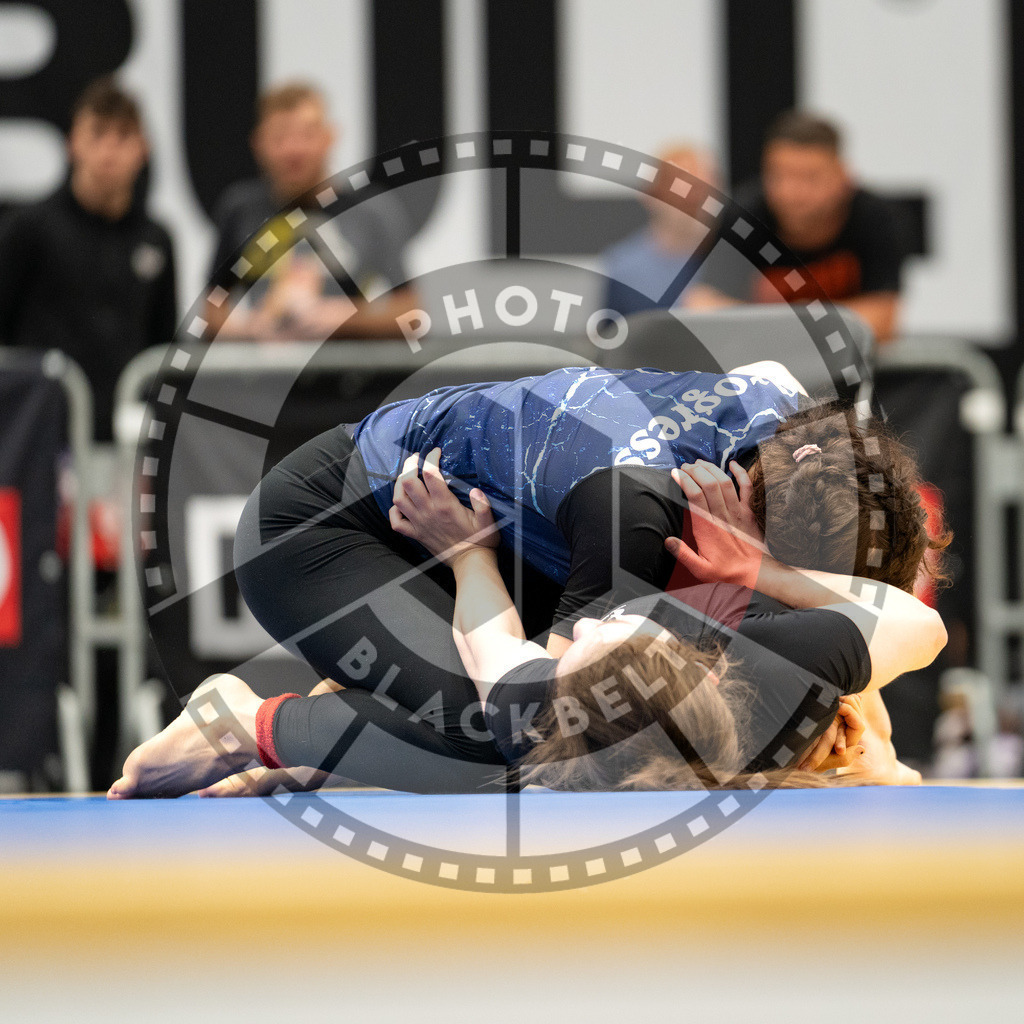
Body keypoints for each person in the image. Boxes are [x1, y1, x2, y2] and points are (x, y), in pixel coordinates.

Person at [109, 364, 945, 798]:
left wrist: (773, 579)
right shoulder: (636, 514)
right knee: (528, 755)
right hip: (331, 531)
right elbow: (534, 714)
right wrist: (467, 557)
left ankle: (342, 742)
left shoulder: (795, 428)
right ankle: (252, 723)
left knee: (695, 671)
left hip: (515, 537)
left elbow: (874, 621)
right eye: (783, 575)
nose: (769, 595)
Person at [0, 76, 177, 440]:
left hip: (126, 436)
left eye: (123, 135)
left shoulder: (155, 239)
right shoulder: (29, 229)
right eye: (98, 133)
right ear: (73, 144)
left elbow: (162, 344)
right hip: (40, 437)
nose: (109, 150)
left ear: (142, 148)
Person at [208, 81, 418, 340]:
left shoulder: (370, 211)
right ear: (259, 143)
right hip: (266, 376)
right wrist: (250, 328)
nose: (293, 150)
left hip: (348, 376)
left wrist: (347, 318)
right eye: (280, 137)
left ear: (329, 137)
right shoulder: (240, 210)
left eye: (307, 134)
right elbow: (210, 310)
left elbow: (412, 311)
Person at [689, 111, 911, 344]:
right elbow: (703, 308)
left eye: (809, 177)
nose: (791, 193)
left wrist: (769, 329)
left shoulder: (875, 218)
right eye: (778, 176)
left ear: (844, 177)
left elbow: (883, 320)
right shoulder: (742, 219)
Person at [601, 145, 734, 317]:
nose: (693, 200)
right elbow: (609, 336)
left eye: (702, 189)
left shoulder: (735, 259)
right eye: (680, 189)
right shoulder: (623, 269)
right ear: (651, 195)